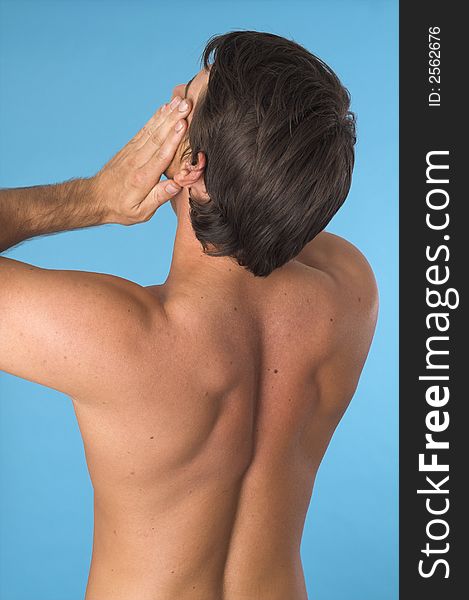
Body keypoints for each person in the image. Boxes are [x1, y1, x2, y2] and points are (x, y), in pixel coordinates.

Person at [0, 31, 378, 600]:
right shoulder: (350, 292)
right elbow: (285, 216)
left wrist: (93, 198)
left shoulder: (120, 338)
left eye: (187, 101)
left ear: (191, 165)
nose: (174, 95)